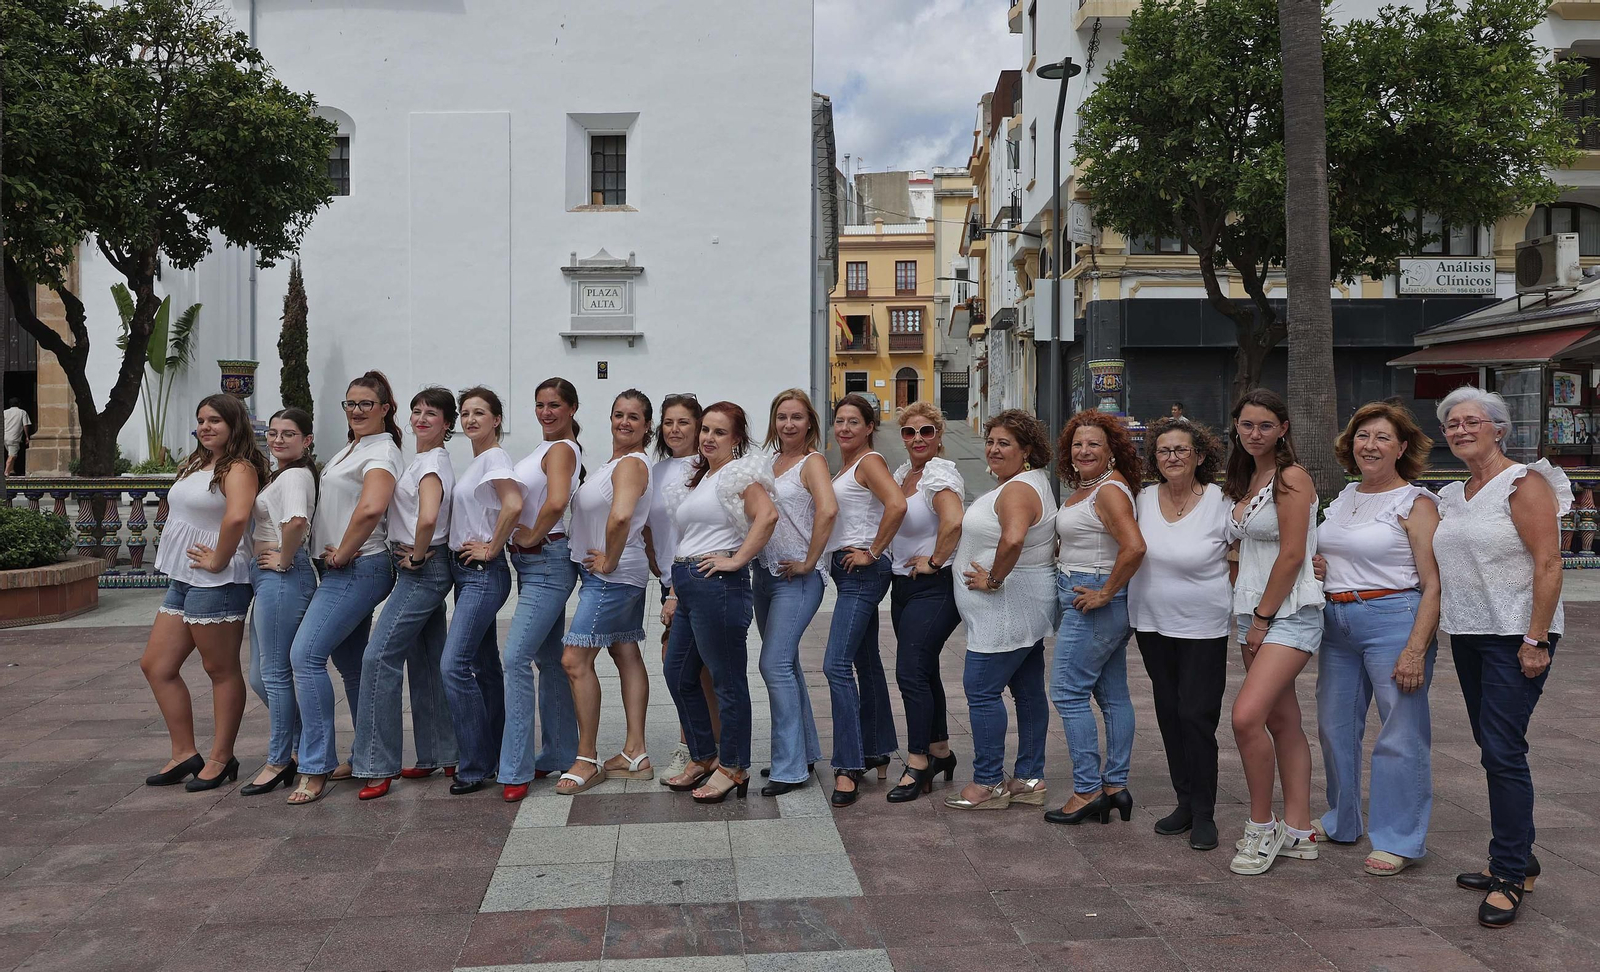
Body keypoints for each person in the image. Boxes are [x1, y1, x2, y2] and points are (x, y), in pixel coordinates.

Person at [1433, 387, 1567, 928]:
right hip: (1468, 634)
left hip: (1517, 636)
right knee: (1493, 745)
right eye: (1451, 424)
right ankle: (1520, 856)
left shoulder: (1524, 482)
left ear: (1498, 427)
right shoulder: (1453, 492)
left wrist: (1536, 639)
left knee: (1504, 751)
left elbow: (1551, 562)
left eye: (1472, 421)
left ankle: (1510, 872)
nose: (1461, 430)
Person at [1312, 402, 1441, 876]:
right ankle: (1342, 820)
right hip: (1337, 621)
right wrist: (1322, 569)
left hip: (1394, 619)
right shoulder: (1345, 497)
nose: (1371, 445)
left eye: (1383, 437)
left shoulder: (1416, 502)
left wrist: (1415, 649)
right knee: (1334, 726)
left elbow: (1433, 582)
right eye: (1363, 435)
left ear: (1402, 447)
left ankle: (1399, 838)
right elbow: (1338, 553)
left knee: (1400, 733)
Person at [287, 371, 403, 804]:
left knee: (305, 655)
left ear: (385, 409)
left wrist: (344, 550)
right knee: (351, 668)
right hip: (339, 568)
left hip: (357, 567)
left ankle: (314, 765)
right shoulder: (354, 447)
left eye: (366, 404)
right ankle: (365, 755)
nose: (356, 411)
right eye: (350, 404)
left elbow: (373, 506)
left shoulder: (383, 451)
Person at [142, 394, 267, 791]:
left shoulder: (240, 467)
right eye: (201, 420)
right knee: (156, 665)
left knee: (220, 669)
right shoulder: (199, 462)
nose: (205, 427)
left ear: (234, 424)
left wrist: (218, 559)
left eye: (215, 420)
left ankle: (221, 756)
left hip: (220, 580)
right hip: (184, 577)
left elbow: (237, 516)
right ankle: (184, 753)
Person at [1224, 388, 1323, 874]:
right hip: (1254, 612)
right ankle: (1301, 831)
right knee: (1281, 722)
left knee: (1245, 718)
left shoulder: (1291, 477)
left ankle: (1261, 828)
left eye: (1265, 425)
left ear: (1283, 428)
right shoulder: (1250, 478)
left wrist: (1262, 618)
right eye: (1246, 425)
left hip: (1288, 613)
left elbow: (1292, 553)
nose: (1254, 433)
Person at [660, 402, 778, 803]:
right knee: (678, 674)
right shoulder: (700, 477)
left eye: (720, 432)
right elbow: (686, 538)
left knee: (727, 682)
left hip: (718, 586)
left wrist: (738, 558)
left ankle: (734, 766)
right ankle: (704, 756)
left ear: (737, 439)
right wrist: (675, 592)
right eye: (705, 430)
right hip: (688, 582)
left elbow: (767, 516)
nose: (709, 437)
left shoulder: (738, 474)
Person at [351, 387, 461, 800]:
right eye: (416, 411)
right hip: (425, 567)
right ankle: (444, 753)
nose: (421, 418)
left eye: (431, 413)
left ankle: (377, 765)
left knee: (378, 657)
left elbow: (429, 515)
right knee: (428, 661)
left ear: (447, 424)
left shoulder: (430, 464)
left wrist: (415, 556)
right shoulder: (425, 459)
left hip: (423, 571)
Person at [1128, 417, 1231, 850]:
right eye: (1164, 451)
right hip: (1151, 624)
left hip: (1204, 627)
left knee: (1197, 717)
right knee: (1170, 714)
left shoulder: (1221, 501)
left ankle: (1205, 813)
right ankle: (1184, 803)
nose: (1171, 457)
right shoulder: (1141, 498)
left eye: (1181, 450)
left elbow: (1253, 547)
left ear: (1200, 456)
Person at [946, 410, 1055, 812]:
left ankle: (989, 781)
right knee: (1026, 692)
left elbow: (1012, 539)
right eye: (990, 441)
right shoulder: (1026, 483)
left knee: (981, 689)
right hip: (1020, 608)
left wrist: (992, 579)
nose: (993, 448)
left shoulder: (1017, 490)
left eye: (1004, 443)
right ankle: (1029, 779)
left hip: (1006, 610)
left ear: (1026, 450)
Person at [1045, 411, 1145, 826]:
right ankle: (1115, 786)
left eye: (1094, 445)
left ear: (1112, 451)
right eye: (1078, 444)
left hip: (1094, 600)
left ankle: (1087, 789)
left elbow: (1134, 547)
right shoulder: (1094, 487)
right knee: (1112, 695)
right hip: (1089, 593)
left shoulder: (1108, 491)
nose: (1084, 450)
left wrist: (1106, 592)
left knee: (1067, 692)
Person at [554, 390, 655, 794]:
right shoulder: (615, 461)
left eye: (634, 417)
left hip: (611, 575)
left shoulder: (631, 462)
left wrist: (610, 559)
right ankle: (636, 753)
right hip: (619, 572)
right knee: (625, 651)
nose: (624, 422)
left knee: (574, 660)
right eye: (618, 414)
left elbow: (623, 515)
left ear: (647, 425)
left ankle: (586, 758)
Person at [498, 378, 584, 801]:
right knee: (549, 661)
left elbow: (557, 501)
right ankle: (560, 752)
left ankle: (515, 768)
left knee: (514, 659)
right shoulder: (544, 449)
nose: (546, 412)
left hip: (547, 563)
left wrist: (531, 536)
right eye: (539, 405)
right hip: (534, 564)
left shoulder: (563, 449)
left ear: (572, 408)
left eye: (554, 405)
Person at [824, 393, 907, 807]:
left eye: (854, 422)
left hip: (862, 570)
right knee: (866, 662)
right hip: (850, 570)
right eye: (840, 421)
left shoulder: (869, 462)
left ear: (870, 427)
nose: (844, 428)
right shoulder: (848, 466)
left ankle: (847, 765)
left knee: (835, 664)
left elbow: (897, 504)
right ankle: (875, 748)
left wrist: (873, 552)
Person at [439, 386, 522, 795]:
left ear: (497, 420)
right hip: (464, 572)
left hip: (482, 574)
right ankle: (496, 753)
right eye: (465, 413)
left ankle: (474, 765)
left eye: (479, 413)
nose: (471, 420)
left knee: (453, 665)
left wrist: (492, 546)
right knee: (484, 668)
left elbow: (513, 504)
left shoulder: (494, 457)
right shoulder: (475, 461)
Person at [754, 389, 834, 796]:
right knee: (787, 665)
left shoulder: (812, 461)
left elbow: (828, 509)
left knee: (774, 665)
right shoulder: (767, 463)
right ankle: (800, 753)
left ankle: (789, 769)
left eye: (797, 417)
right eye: (782, 417)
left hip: (798, 578)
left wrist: (809, 559)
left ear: (809, 424)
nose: (788, 424)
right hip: (764, 575)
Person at [886, 402, 964, 803]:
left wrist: (934, 561)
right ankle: (940, 751)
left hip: (935, 587)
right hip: (904, 586)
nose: (917, 439)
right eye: (909, 432)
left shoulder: (938, 474)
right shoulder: (904, 476)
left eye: (926, 431)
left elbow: (953, 522)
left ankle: (918, 763)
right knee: (925, 669)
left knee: (911, 672)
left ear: (939, 436)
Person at [644, 394, 719, 784]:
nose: (675, 429)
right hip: (669, 580)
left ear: (698, 427)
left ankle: (694, 748)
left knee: (693, 669)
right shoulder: (655, 471)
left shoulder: (704, 470)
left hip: (694, 580)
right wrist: (652, 554)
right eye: (668, 422)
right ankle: (704, 746)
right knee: (682, 667)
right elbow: (649, 521)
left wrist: (674, 591)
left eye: (684, 423)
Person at [242, 407, 318, 796]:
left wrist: (285, 559)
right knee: (261, 676)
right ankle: (306, 748)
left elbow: (296, 523)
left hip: (282, 577)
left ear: (306, 440)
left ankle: (279, 759)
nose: (278, 439)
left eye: (289, 433)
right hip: (268, 575)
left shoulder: (295, 475)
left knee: (273, 675)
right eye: (273, 432)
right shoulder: (281, 474)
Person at [3, 398, 29, 475]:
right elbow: (25, 425)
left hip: (5, 436)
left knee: (11, 452)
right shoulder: (22, 412)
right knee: (12, 455)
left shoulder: (4, 412)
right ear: (19, 404)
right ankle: (6, 471)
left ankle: (12, 470)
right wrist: (27, 436)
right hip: (14, 437)